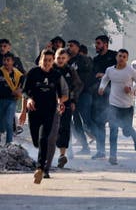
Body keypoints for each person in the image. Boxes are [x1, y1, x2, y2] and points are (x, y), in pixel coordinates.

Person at [21, 49, 69, 184]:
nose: (47, 63)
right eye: (45, 60)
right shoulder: (33, 73)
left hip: (49, 111)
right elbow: (24, 91)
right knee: (36, 140)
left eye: (49, 60)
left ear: (52, 61)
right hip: (35, 111)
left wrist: (60, 102)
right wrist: (28, 101)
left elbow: (61, 94)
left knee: (44, 139)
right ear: (41, 59)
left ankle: (40, 168)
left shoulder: (56, 75)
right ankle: (41, 166)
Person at [98, 49, 136, 165]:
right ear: (116, 57)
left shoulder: (131, 71)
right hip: (113, 105)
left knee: (126, 131)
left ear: (127, 59)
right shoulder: (110, 70)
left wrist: (131, 89)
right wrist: (102, 87)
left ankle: (135, 136)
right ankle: (113, 156)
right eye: (120, 56)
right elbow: (105, 79)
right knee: (113, 130)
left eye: (124, 56)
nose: (121, 58)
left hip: (127, 106)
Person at [50, 48, 83, 170]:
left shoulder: (70, 70)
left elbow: (78, 85)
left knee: (64, 127)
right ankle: (47, 154)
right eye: (58, 57)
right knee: (51, 128)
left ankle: (62, 155)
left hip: (66, 103)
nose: (60, 60)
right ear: (55, 57)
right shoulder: (50, 69)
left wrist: (74, 100)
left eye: (63, 58)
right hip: (50, 103)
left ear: (67, 59)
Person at [90, 35, 118, 160]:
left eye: (98, 43)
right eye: (96, 43)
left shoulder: (115, 56)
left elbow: (121, 72)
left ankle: (113, 153)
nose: (96, 46)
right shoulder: (95, 60)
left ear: (105, 44)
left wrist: (105, 75)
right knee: (99, 124)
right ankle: (101, 151)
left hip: (113, 95)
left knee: (113, 125)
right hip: (99, 96)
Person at [68, 40, 93, 154]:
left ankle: (99, 142)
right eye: (68, 45)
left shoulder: (84, 60)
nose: (69, 47)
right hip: (72, 95)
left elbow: (85, 78)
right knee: (76, 121)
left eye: (71, 46)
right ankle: (85, 147)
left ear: (78, 47)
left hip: (84, 94)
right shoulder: (67, 60)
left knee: (86, 120)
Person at [0, 53, 24, 145]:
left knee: (9, 122)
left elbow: (22, 86)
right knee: (1, 126)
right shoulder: (0, 72)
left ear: (13, 62)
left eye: (8, 60)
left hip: (11, 101)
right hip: (1, 100)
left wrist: (19, 90)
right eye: (4, 60)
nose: (5, 62)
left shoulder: (18, 75)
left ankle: (9, 143)